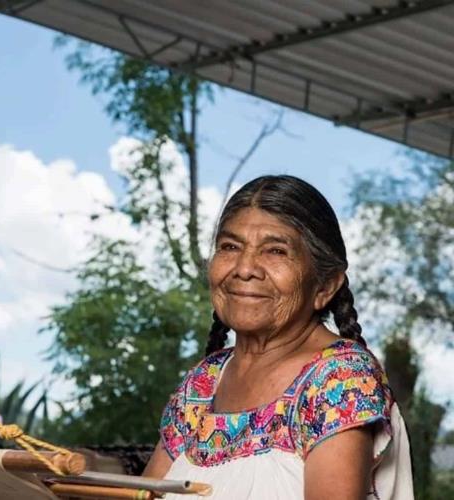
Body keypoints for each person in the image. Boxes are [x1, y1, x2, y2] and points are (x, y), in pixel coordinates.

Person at [144, 176, 413, 499]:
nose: (244, 268)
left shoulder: (340, 378)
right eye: (230, 247)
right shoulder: (203, 383)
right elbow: (146, 493)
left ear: (325, 286)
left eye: (275, 251)